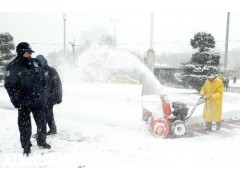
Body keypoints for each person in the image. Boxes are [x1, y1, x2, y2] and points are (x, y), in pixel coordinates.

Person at [4, 42, 51, 156]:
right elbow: (9, 85)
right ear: (20, 52)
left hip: (38, 99)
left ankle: (41, 141)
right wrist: (15, 101)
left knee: (41, 122)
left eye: (30, 51)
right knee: (25, 125)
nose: (30, 53)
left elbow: (43, 79)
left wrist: (43, 93)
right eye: (27, 51)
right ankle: (26, 145)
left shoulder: (36, 62)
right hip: (23, 101)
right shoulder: (13, 65)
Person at [36, 55, 62, 135]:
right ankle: (51, 129)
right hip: (41, 97)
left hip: (50, 97)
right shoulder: (36, 71)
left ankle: (44, 131)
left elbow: (58, 84)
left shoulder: (51, 71)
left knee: (46, 114)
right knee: (46, 114)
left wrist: (58, 97)